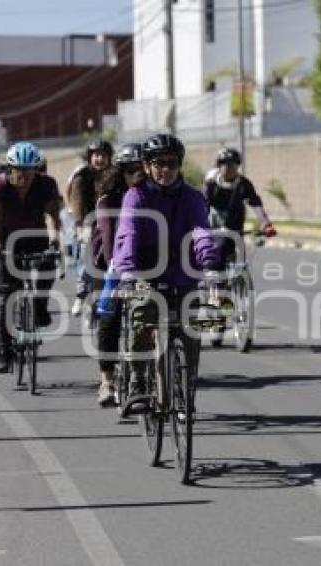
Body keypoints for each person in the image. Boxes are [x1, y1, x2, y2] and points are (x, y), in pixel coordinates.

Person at [110, 133, 218, 403]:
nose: (166, 170)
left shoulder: (192, 197)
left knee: (191, 332)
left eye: (171, 163)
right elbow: (128, 234)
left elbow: (201, 231)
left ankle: (185, 382)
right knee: (142, 318)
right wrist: (127, 273)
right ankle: (137, 380)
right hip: (145, 274)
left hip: (184, 274)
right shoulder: (136, 196)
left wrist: (209, 263)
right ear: (147, 166)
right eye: (159, 163)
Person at [0, 142, 62, 373]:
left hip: (36, 235)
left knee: (49, 262)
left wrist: (54, 242)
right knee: (5, 295)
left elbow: (51, 216)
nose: (25, 175)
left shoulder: (46, 184)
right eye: (20, 169)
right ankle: (3, 348)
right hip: (7, 241)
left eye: (30, 169)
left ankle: (39, 305)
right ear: (10, 169)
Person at [93, 143, 141, 406]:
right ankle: (107, 381)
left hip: (147, 262)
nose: (138, 175)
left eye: (141, 169)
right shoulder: (108, 198)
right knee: (109, 314)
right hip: (113, 261)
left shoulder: (152, 193)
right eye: (131, 170)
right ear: (120, 171)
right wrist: (119, 268)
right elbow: (110, 234)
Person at [203, 147, 276, 267]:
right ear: (219, 166)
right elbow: (203, 205)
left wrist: (266, 224)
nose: (229, 168)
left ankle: (240, 275)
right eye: (225, 164)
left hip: (235, 220)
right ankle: (216, 280)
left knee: (237, 252)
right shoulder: (211, 183)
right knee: (216, 253)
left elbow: (256, 203)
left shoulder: (243, 184)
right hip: (215, 221)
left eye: (233, 165)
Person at [68, 139, 113, 317]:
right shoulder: (82, 175)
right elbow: (77, 202)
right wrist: (80, 227)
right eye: (96, 155)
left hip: (110, 221)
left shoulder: (115, 174)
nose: (100, 159)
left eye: (103, 155)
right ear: (90, 157)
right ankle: (81, 294)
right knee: (86, 254)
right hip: (88, 222)